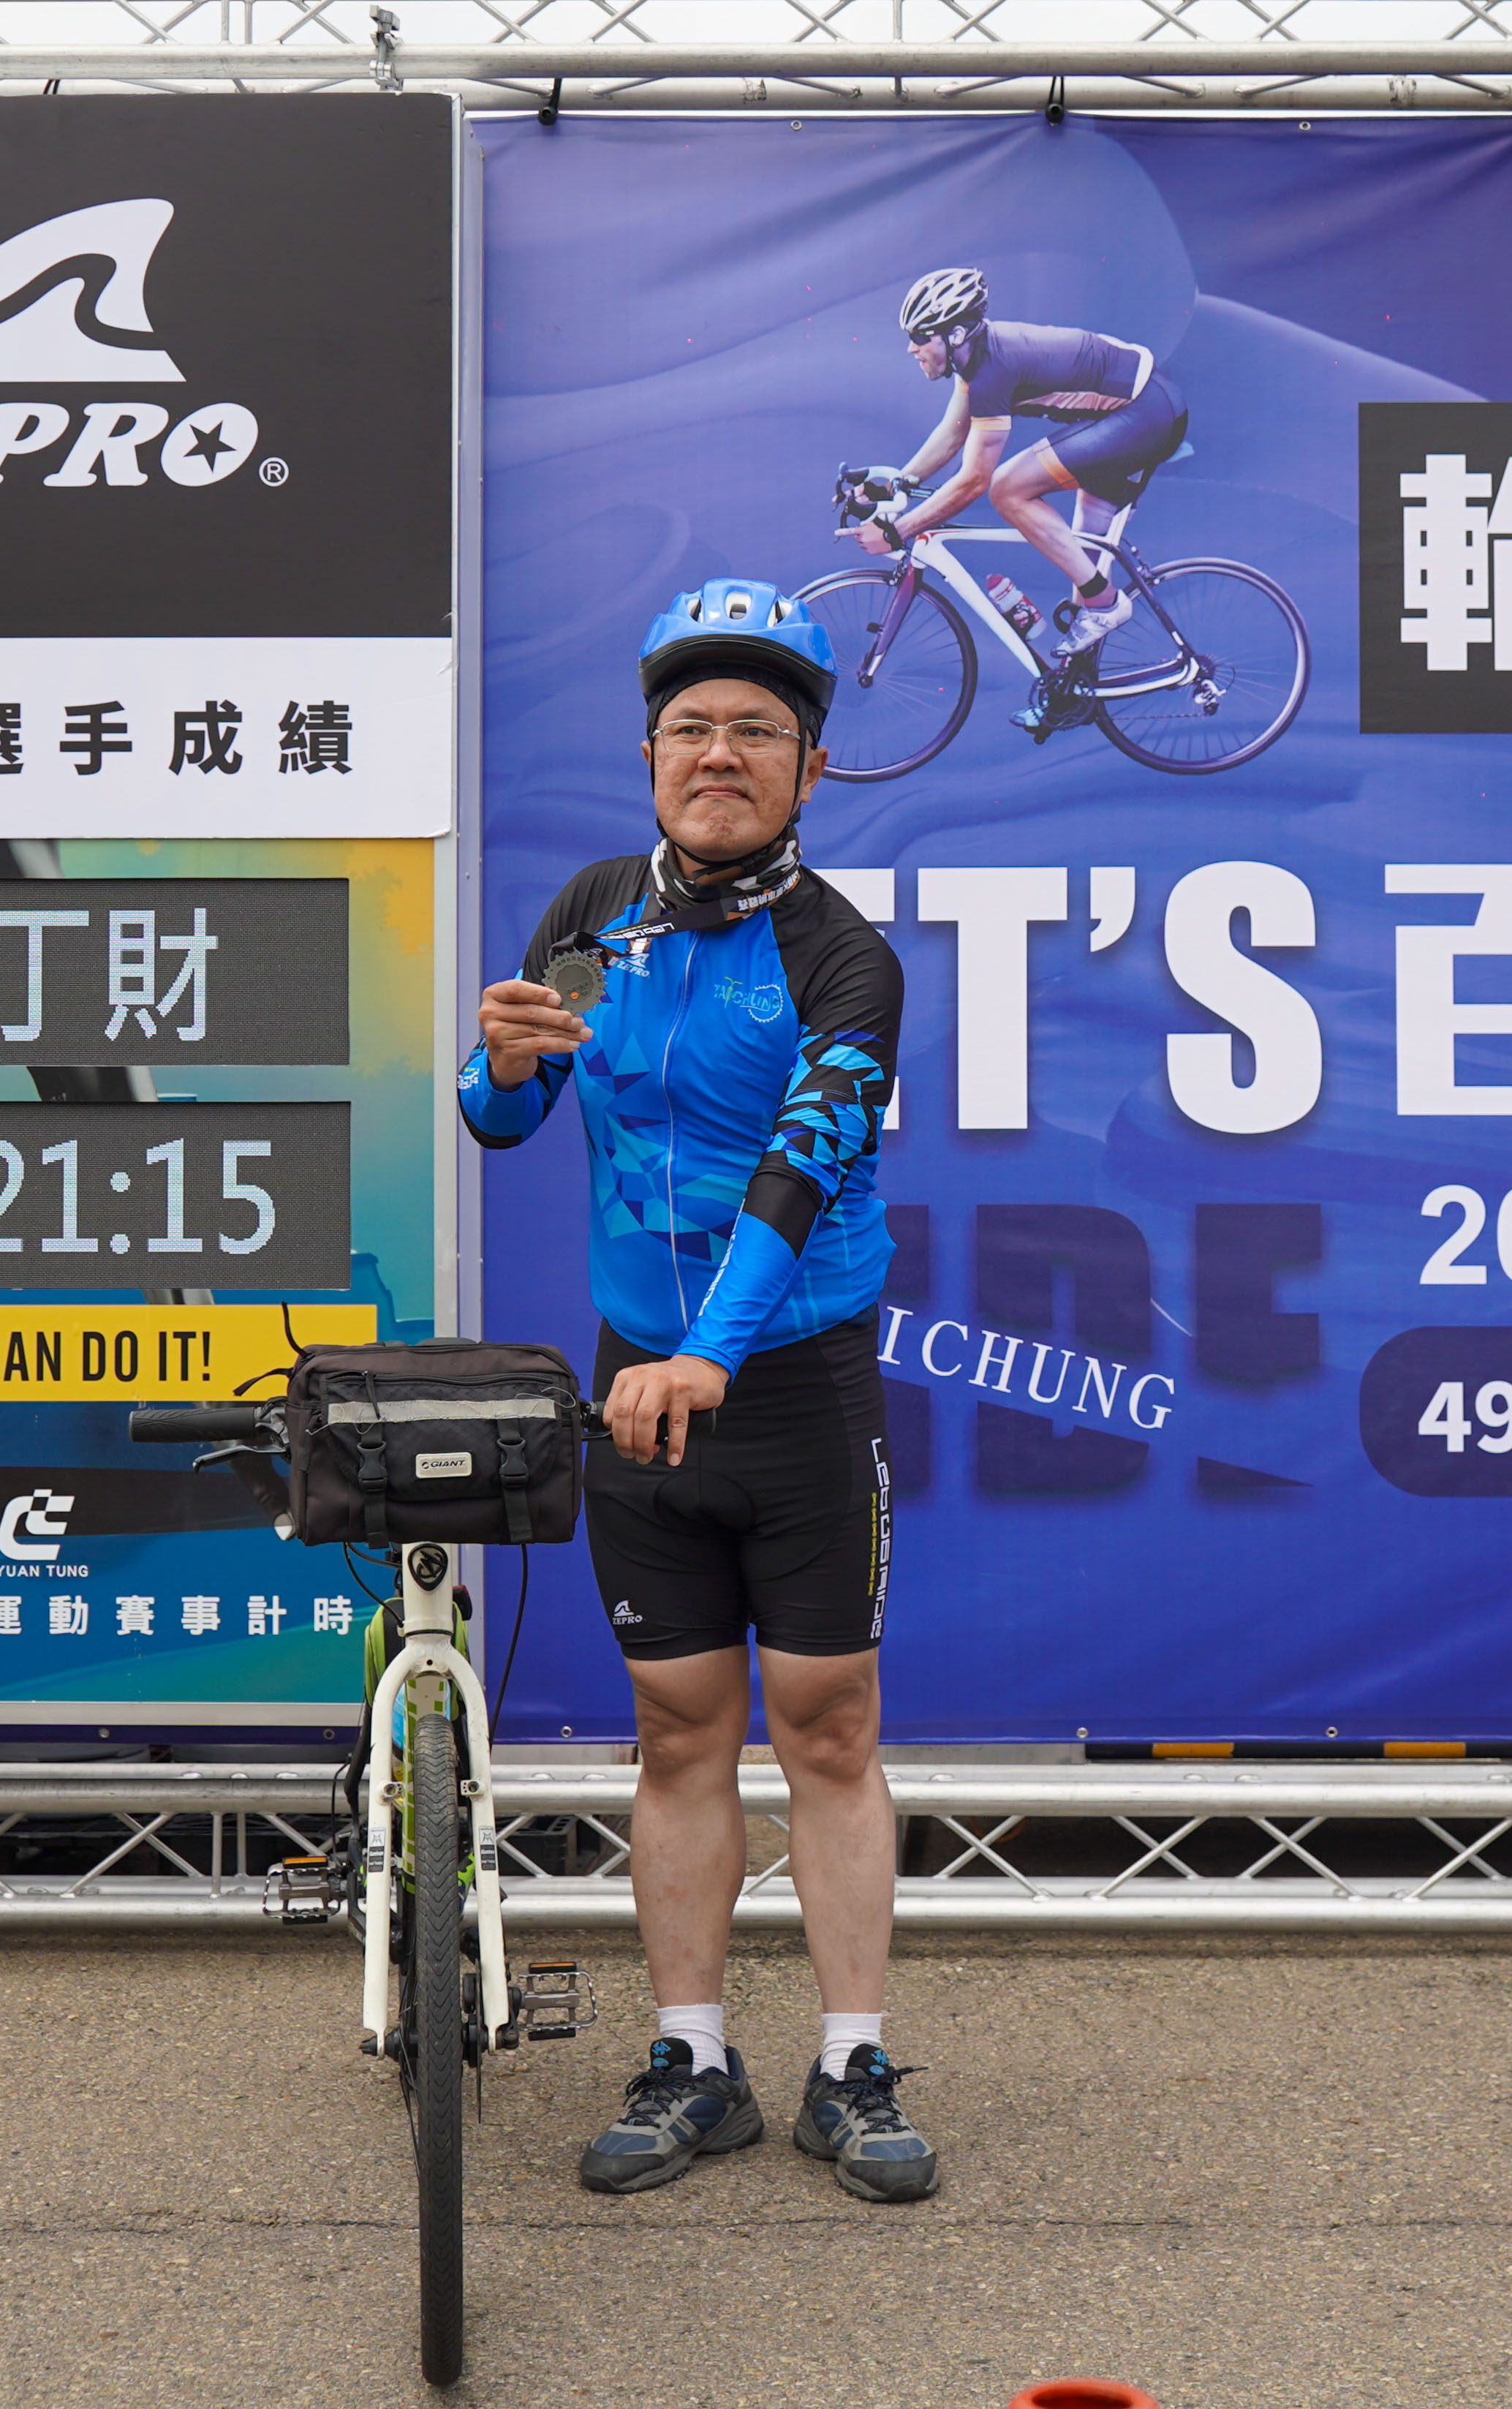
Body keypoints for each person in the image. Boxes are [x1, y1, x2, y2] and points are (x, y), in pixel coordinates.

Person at [458, 578, 937, 2204]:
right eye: (689, 726)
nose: (718, 752)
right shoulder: (596, 911)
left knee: (829, 1723)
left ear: (811, 765)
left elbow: (803, 1173)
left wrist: (711, 1356)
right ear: (651, 753)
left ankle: (853, 2060)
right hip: (637, 1380)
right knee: (675, 1730)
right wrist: (499, 1061)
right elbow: (505, 1118)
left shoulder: (843, 956)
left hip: (788, 1385)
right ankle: (693, 2058)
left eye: (756, 729)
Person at [856, 265, 1187, 660]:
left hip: (1145, 414)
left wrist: (899, 531)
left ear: (955, 335)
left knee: (1008, 488)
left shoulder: (992, 371)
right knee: (1082, 560)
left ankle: (1106, 604)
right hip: (1140, 410)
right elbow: (952, 433)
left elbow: (974, 481)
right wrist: (893, 485)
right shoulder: (975, 360)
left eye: (920, 337)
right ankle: (1078, 679)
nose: (912, 349)